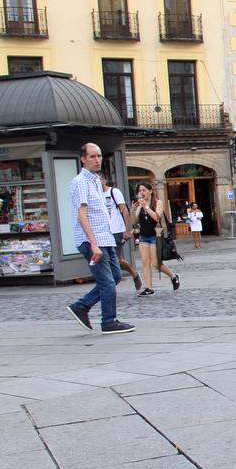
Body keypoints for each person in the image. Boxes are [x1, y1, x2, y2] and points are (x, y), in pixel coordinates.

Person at [65, 143, 135, 334]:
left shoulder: (96, 180)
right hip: (93, 240)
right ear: (83, 159)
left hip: (106, 238)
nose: (98, 160)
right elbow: (81, 214)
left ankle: (82, 306)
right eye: (93, 156)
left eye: (99, 156)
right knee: (107, 282)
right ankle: (108, 321)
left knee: (116, 276)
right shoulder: (80, 182)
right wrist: (93, 244)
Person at [132, 182, 179, 295]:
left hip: (155, 235)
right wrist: (133, 211)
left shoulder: (158, 202)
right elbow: (135, 222)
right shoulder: (139, 204)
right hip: (143, 235)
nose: (142, 193)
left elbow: (156, 217)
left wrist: (146, 207)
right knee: (145, 262)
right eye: (140, 191)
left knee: (156, 263)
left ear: (150, 191)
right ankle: (149, 288)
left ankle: (173, 276)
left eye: (144, 190)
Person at [101, 174, 143, 293]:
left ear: (103, 180)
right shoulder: (96, 195)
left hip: (116, 230)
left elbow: (125, 210)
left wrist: (126, 229)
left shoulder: (114, 192)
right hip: (104, 231)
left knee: (116, 258)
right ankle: (129, 276)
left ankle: (132, 274)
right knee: (107, 259)